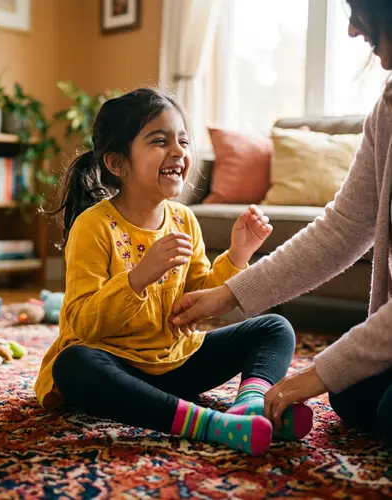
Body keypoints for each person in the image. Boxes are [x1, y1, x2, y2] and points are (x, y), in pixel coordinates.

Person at [34, 88, 313, 456]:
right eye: (160, 141)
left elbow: (202, 301)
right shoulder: (94, 227)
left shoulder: (184, 220)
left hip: (179, 362)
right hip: (121, 368)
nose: (179, 151)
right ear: (117, 163)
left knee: (275, 328)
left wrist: (238, 253)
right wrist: (137, 278)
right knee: (72, 366)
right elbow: (83, 323)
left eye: (183, 140)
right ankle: (210, 424)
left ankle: (249, 407)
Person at [170, 0, 392, 446]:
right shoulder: (386, 109)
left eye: (358, 11)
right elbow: (344, 227)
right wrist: (228, 293)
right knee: (352, 397)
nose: (351, 30)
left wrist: (317, 373)